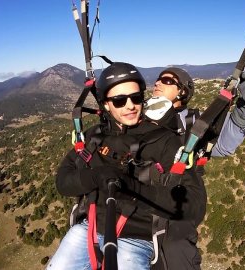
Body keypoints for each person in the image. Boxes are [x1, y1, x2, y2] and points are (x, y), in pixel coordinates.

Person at [46, 62, 206, 270]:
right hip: (90, 229)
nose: (130, 105)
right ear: (106, 105)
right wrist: (95, 177)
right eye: (119, 100)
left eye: (136, 97)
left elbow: (195, 206)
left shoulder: (164, 141)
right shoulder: (94, 137)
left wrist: (134, 189)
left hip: (137, 237)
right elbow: (63, 182)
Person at [151, 67, 245, 269]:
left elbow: (222, 144)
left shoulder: (194, 124)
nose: (157, 83)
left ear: (183, 91)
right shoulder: (134, 115)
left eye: (168, 81)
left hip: (173, 221)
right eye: (158, 80)